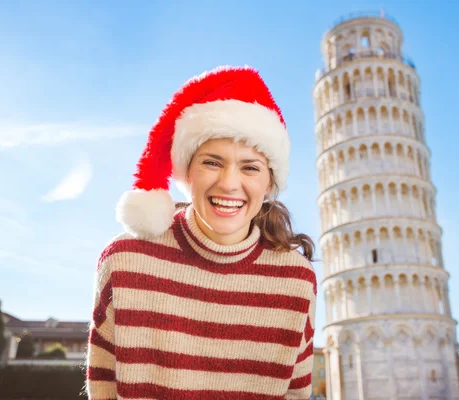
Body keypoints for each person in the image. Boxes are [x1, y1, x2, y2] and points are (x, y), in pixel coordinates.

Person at [84, 66, 317, 399]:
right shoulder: (126, 261)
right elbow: (103, 383)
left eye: (250, 167)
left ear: (269, 184)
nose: (228, 183)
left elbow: (296, 394)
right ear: (186, 173)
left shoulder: (297, 281)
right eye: (212, 162)